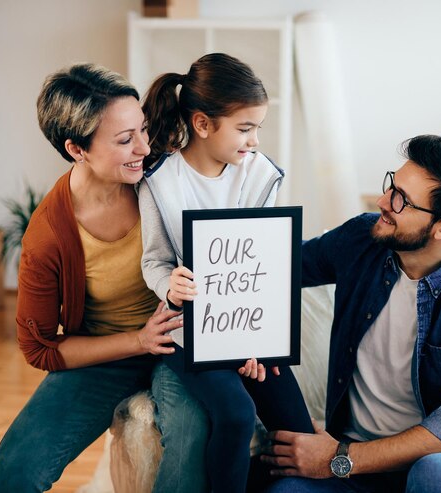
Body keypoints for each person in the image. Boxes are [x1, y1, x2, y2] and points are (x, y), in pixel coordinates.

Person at [0, 63, 209, 493]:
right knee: (11, 473)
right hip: (111, 353)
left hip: (184, 342)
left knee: (189, 447)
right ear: (76, 150)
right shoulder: (48, 235)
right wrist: (138, 341)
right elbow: (38, 348)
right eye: (125, 140)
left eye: (142, 129)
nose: (144, 147)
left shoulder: (163, 175)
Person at [261, 135, 441, 493]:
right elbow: (279, 265)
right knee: (283, 490)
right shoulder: (364, 237)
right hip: (356, 456)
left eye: (402, 200)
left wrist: (339, 457)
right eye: (392, 186)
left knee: (435, 475)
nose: (383, 201)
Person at [138, 53, 315, 493]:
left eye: (258, 128)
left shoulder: (259, 175)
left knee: (298, 430)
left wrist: (256, 341)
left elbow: (264, 266)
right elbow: (153, 261)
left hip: (250, 327)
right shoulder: (160, 180)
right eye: (244, 129)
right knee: (235, 415)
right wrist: (169, 284)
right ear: (202, 124)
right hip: (189, 332)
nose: (254, 141)